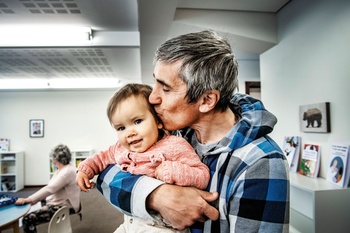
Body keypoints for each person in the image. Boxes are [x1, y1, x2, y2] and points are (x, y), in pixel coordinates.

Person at [96, 30, 290, 233]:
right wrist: (156, 196)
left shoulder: (263, 162)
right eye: (155, 82)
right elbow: (104, 174)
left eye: (166, 88)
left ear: (206, 100)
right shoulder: (175, 133)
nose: (152, 98)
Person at [76, 83, 210, 233]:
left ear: (158, 121)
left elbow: (202, 174)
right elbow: (101, 158)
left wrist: (170, 170)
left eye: (137, 121)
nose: (130, 132)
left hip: (163, 226)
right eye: (121, 128)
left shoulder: (174, 146)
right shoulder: (119, 148)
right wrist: (85, 169)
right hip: (131, 220)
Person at [15, 144, 81, 233]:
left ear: (55, 159)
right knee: (38, 202)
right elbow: (51, 188)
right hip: (60, 201)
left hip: (63, 205)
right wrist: (33, 200)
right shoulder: (63, 169)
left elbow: (50, 189)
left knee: (27, 219)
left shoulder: (66, 172)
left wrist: (29, 199)